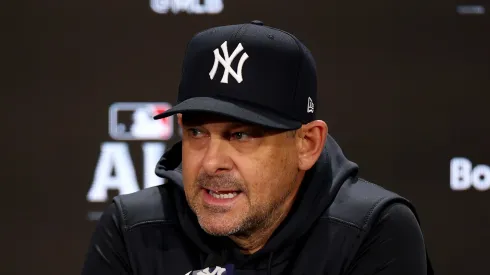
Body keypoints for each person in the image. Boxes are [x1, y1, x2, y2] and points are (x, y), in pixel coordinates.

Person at [81, 20, 434, 275]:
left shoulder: (369, 230)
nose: (212, 163)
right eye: (198, 132)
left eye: (241, 136)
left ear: (307, 144)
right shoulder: (134, 228)